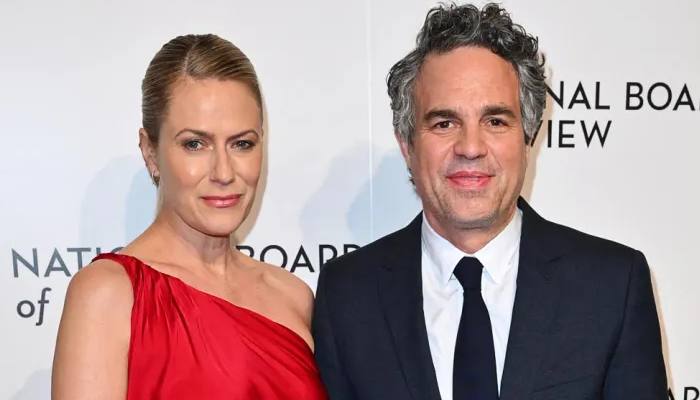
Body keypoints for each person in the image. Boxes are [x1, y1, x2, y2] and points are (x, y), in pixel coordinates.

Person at [312, 3, 667, 400]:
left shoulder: (612, 286)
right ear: (407, 145)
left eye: (495, 121)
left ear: (528, 138)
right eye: (444, 123)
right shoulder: (348, 295)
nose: (470, 147)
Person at [52, 34, 327, 399]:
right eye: (195, 144)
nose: (224, 172)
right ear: (150, 152)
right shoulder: (108, 294)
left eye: (242, 143)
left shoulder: (293, 297)